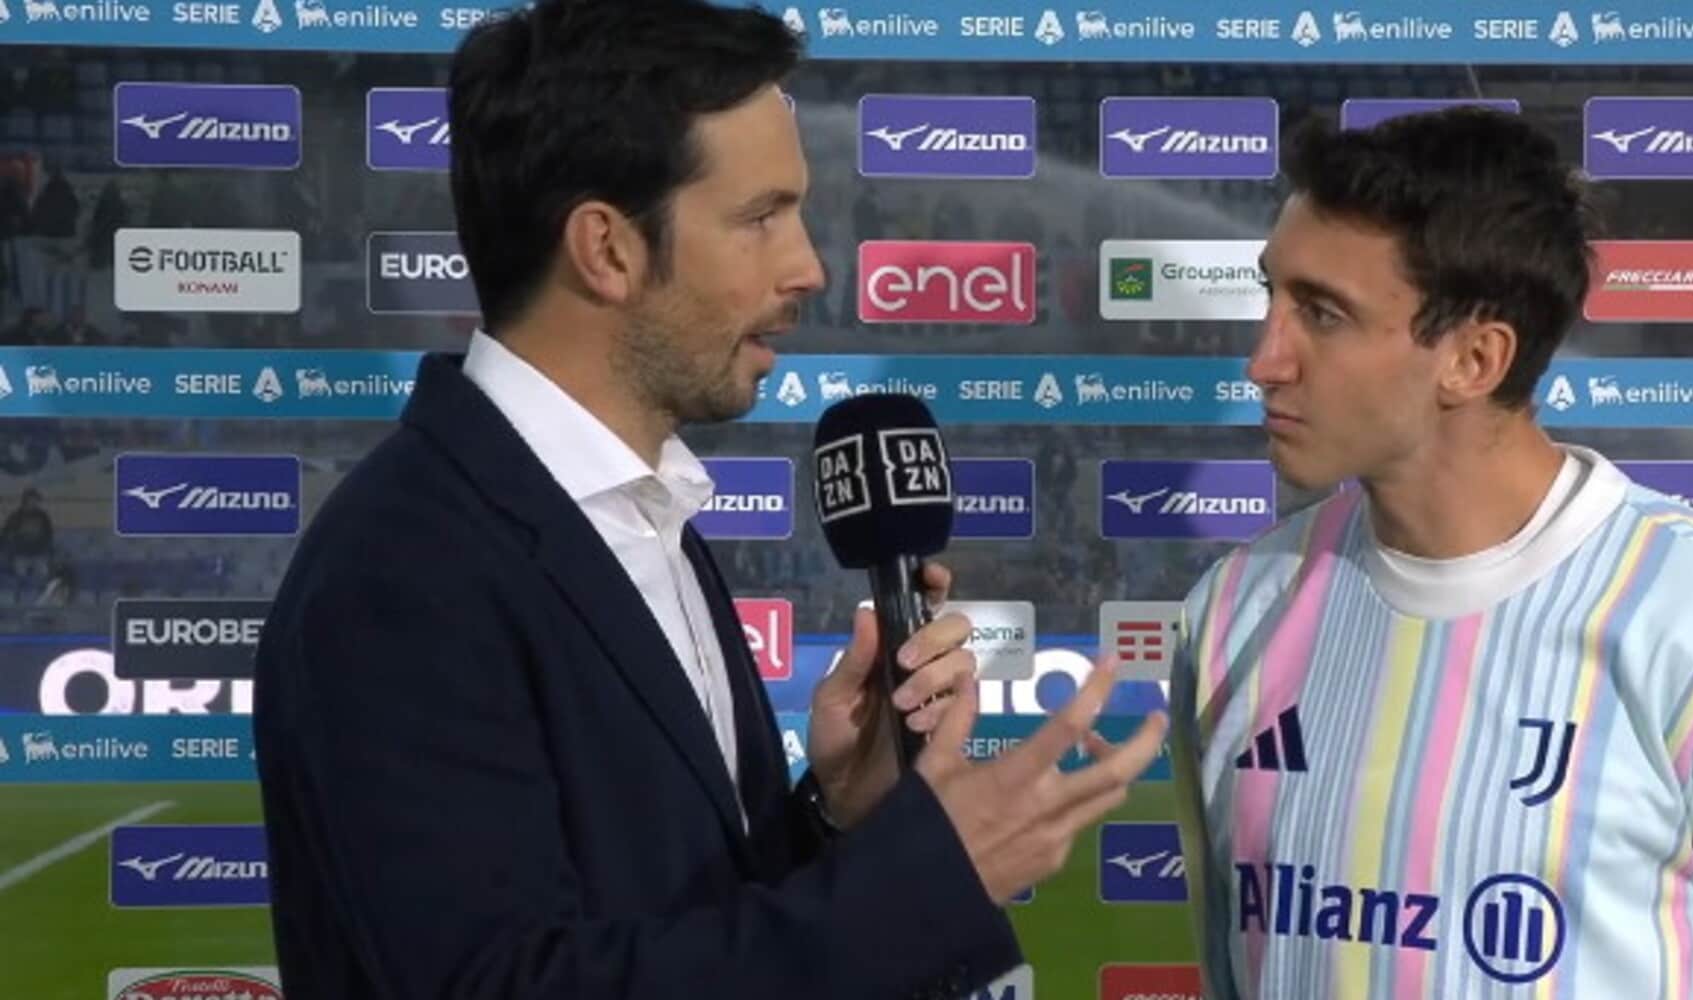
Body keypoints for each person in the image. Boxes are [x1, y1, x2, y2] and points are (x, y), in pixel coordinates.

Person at [250, 2, 1166, 997]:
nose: (808, 267)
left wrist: (834, 816)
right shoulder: (403, 571)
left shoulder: (644, 516)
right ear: (607, 249)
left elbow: (689, 917)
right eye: (760, 217)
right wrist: (927, 883)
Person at [1167, 107, 1693, 999]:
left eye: (1323, 314)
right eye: (1272, 297)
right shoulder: (1235, 613)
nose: (1264, 359)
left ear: (1474, 360)